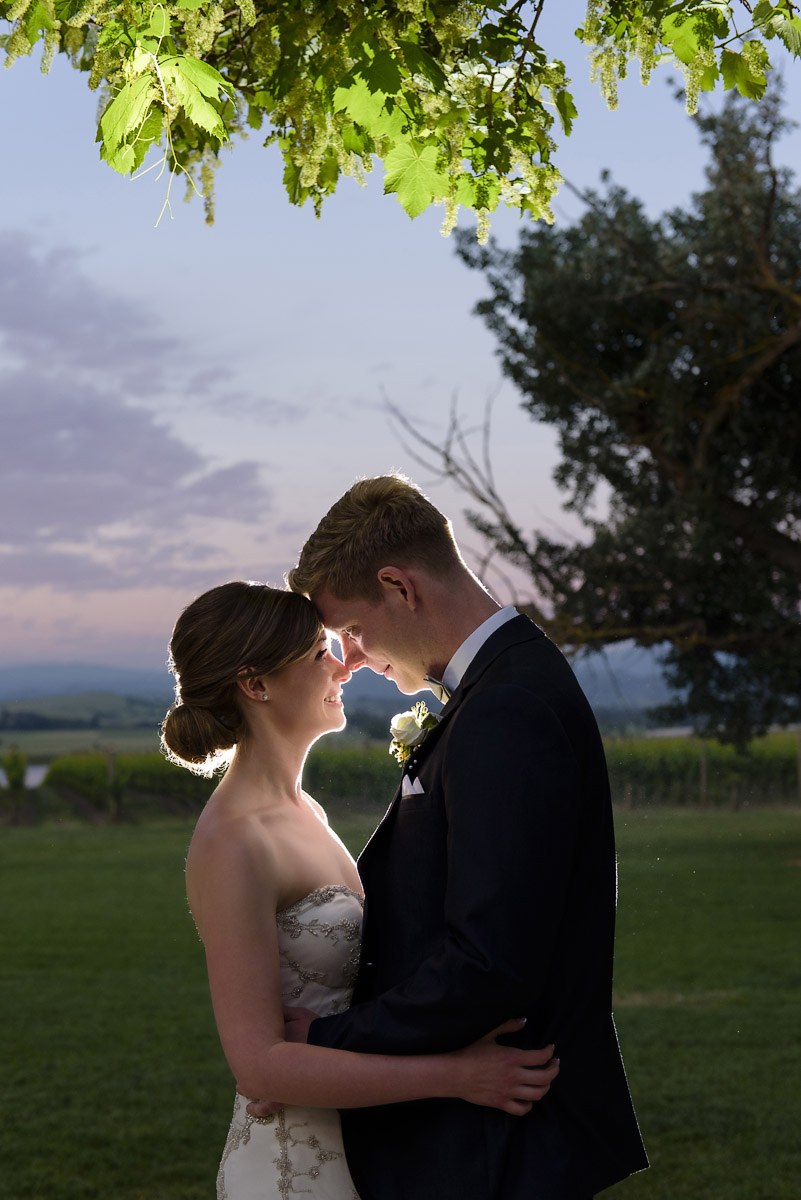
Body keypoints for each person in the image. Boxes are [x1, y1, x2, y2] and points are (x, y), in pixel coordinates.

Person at [249, 475, 648, 1199]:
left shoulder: (505, 708)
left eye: (354, 632)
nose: (355, 659)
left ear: (399, 586)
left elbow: (488, 963)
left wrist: (327, 1042)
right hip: (488, 1134)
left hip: (498, 1145)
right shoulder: (505, 683)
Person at [161, 580, 561, 1200]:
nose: (345, 665)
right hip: (293, 1168)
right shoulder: (233, 841)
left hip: (369, 1146)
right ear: (256, 684)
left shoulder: (305, 811)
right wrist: (457, 1075)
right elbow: (258, 1065)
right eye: (320, 652)